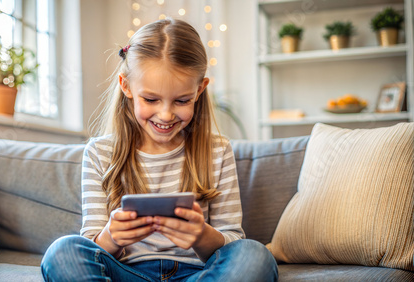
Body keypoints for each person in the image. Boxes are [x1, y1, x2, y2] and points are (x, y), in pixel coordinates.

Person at [41, 18, 278, 281]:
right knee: (63, 251)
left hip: (198, 275)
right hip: (127, 273)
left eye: (182, 100)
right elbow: (92, 247)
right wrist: (112, 236)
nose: (165, 115)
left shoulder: (217, 151)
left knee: (254, 254)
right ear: (126, 86)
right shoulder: (100, 153)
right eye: (151, 99)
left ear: (199, 90)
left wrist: (201, 235)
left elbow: (233, 240)